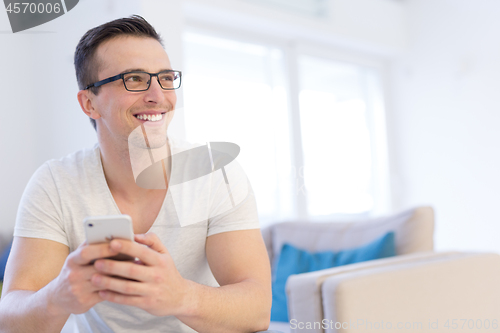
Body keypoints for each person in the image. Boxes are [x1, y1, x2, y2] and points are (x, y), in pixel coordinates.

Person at [0, 15, 272, 333]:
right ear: (89, 103)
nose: (158, 95)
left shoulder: (215, 174)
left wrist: (181, 296)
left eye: (166, 78)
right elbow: (10, 319)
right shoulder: (55, 183)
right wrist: (57, 297)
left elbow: (257, 310)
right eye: (135, 79)